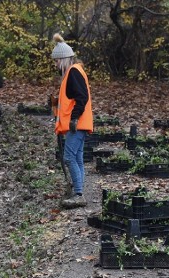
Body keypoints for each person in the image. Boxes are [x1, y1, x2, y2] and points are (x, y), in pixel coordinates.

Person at [51, 33, 92, 209]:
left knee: (69, 157)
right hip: (80, 124)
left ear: (63, 59)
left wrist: (74, 118)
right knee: (78, 158)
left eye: (56, 61)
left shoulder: (73, 72)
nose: (55, 65)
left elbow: (81, 97)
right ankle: (79, 190)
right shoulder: (74, 72)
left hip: (77, 124)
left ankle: (79, 194)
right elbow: (73, 98)